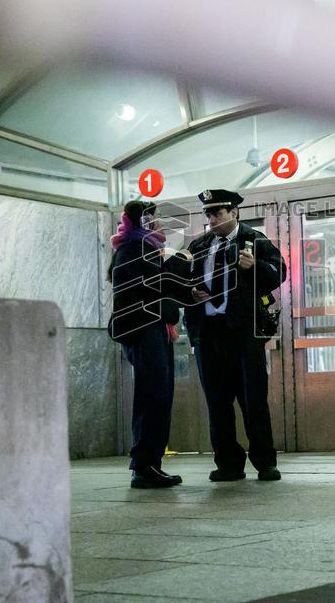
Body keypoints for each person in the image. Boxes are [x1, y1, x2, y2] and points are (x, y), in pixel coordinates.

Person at [182, 189, 287, 482]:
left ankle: (265, 461)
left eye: (218, 213)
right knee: (218, 403)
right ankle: (228, 462)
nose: (213, 219)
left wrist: (255, 267)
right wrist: (189, 292)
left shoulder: (255, 240)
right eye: (208, 214)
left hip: (243, 334)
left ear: (234, 213)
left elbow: (279, 274)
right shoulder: (200, 245)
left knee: (253, 399)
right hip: (209, 334)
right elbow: (182, 281)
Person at [108, 200, 183, 489]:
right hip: (143, 332)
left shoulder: (147, 250)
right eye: (152, 219)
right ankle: (143, 466)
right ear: (140, 222)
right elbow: (148, 290)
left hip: (154, 330)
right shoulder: (132, 250)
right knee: (152, 397)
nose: (158, 223)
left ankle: (151, 463)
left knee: (160, 396)